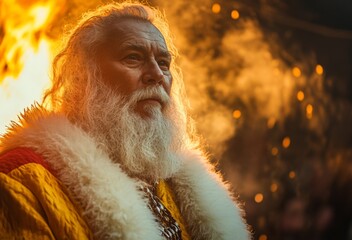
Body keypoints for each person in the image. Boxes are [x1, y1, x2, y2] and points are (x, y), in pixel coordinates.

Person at [0, 2, 250, 239]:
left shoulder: (176, 180)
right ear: (83, 78)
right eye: (133, 57)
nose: (156, 75)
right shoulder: (24, 181)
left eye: (164, 63)